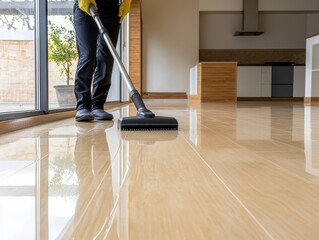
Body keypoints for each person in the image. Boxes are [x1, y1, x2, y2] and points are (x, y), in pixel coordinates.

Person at [73, 0, 132, 121]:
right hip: (86, 7)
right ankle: (83, 106)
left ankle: (98, 106)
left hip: (111, 10)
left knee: (107, 58)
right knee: (88, 55)